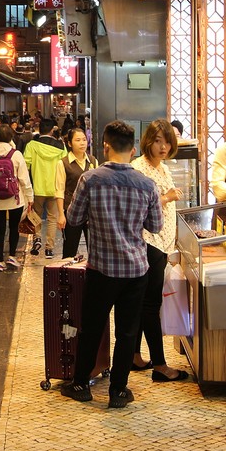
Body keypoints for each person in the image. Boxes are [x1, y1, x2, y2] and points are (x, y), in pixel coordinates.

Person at [62, 121, 163, 409]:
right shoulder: (147, 184)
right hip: (136, 271)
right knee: (127, 332)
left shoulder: (90, 180)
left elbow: (73, 218)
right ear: (133, 149)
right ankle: (118, 390)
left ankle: (81, 385)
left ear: (105, 146)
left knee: (92, 327)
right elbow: (156, 226)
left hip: (101, 270)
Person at [130, 120, 188, 382]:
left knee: (143, 303)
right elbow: (139, 207)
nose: (163, 147)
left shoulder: (162, 168)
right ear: (148, 142)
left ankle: (134, 355)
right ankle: (160, 366)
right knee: (150, 304)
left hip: (161, 243)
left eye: (167, 142)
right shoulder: (139, 169)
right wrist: (167, 197)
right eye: (157, 141)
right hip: (147, 242)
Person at [0, 124, 33, 272]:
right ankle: (11, 256)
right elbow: (24, 179)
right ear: (11, 137)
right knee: (14, 227)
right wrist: (30, 197)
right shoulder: (16, 155)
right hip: (15, 199)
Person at [24, 118, 68, 257]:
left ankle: (37, 238)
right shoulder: (60, 146)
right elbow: (65, 166)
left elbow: (26, 165)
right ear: (51, 130)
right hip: (55, 189)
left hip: (38, 187)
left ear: (40, 129)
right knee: (52, 218)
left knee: (36, 215)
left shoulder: (32, 145)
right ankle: (49, 248)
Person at [61, 126, 98, 259]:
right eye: (78, 140)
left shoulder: (93, 161)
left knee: (94, 248)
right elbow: (59, 191)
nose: (82, 143)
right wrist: (60, 214)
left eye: (84, 139)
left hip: (90, 211)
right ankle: (66, 270)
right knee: (69, 248)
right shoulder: (63, 163)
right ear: (70, 143)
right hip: (70, 210)